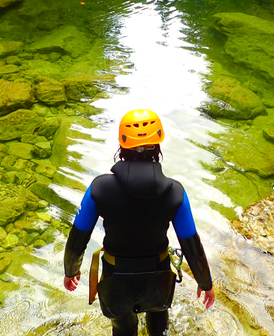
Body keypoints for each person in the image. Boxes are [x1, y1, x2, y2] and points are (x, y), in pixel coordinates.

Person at [63, 108, 215, 336]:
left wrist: (71, 270)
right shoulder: (175, 192)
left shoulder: (100, 188)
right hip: (159, 277)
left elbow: (78, 238)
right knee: (159, 328)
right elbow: (191, 246)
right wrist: (206, 284)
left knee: (123, 329)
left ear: (121, 145)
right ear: (159, 145)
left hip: (116, 279)